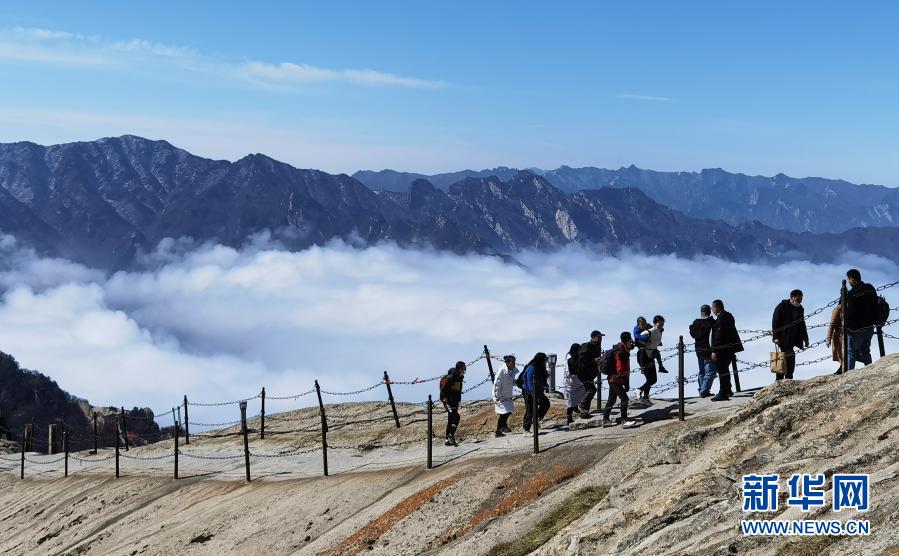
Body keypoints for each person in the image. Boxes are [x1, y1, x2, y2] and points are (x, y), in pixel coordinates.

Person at [771, 289, 810, 381]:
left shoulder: (800, 309)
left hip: (794, 337)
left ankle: (788, 377)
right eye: (797, 299)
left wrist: (805, 338)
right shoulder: (782, 306)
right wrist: (775, 337)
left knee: (789, 357)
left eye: (800, 299)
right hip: (782, 337)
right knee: (785, 357)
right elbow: (775, 321)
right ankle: (781, 379)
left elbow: (802, 324)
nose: (799, 301)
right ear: (791, 297)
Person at [602, 332, 639, 428]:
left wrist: (632, 346)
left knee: (611, 399)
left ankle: (605, 420)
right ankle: (624, 421)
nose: (631, 341)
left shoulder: (620, 347)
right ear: (628, 340)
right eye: (630, 339)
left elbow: (629, 348)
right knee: (625, 399)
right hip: (616, 380)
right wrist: (626, 383)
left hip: (611, 378)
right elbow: (621, 369)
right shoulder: (621, 352)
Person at [844, 269, 878, 370]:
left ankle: (849, 376)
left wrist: (846, 326)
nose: (849, 282)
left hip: (856, 330)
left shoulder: (851, 293)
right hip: (869, 327)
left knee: (851, 353)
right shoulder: (870, 288)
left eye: (849, 279)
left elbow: (850, 312)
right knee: (866, 351)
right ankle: (870, 371)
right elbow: (875, 304)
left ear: (852, 280)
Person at [710, 300, 742, 401]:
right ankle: (728, 389)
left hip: (721, 349)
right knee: (725, 369)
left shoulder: (721, 319)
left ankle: (723, 392)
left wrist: (714, 350)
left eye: (712, 308)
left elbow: (719, 336)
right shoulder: (729, 316)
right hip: (729, 348)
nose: (712, 310)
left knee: (721, 370)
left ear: (716, 308)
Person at [636, 315, 666, 403]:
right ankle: (641, 392)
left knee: (653, 379)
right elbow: (639, 339)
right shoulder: (650, 331)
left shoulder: (659, 332)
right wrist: (645, 342)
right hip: (643, 355)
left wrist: (658, 343)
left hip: (650, 355)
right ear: (655, 323)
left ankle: (644, 396)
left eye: (662, 323)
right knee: (650, 379)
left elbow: (656, 341)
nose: (661, 325)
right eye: (659, 323)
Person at [689, 304, 716, 397]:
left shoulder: (695, 322)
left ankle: (702, 389)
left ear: (701, 312)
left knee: (702, 371)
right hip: (708, 349)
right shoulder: (711, 322)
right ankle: (704, 391)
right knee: (710, 371)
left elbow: (693, 334)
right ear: (709, 311)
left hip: (698, 349)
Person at [521, 352, 550, 433]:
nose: (545, 362)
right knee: (530, 410)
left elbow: (543, 378)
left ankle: (536, 418)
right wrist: (534, 395)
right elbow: (530, 383)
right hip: (528, 391)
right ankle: (526, 430)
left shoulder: (541, 367)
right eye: (544, 360)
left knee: (546, 403)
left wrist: (546, 386)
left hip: (538, 390)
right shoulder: (531, 368)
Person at [439, 361, 465, 446]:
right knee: (456, 417)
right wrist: (444, 399)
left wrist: (458, 400)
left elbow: (458, 390)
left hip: (454, 401)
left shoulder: (460, 377)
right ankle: (451, 435)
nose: (465, 369)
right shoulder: (452, 377)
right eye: (464, 367)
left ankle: (447, 440)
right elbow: (444, 389)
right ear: (460, 368)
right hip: (448, 401)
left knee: (451, 419)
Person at [577, 331, 604, 414]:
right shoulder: (587, 345)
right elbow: (581, 358)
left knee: (589, 390)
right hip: (584, 372)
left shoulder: (597, 346)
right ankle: (582, 404)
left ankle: (585, 412)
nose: (600, 338)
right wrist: (594, 360)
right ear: (593, 337)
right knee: (592, 390)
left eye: (601, 336)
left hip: (590, 373)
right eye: (598, 337)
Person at [564, 343, 588, 424]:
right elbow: (572, 371)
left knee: (583, 391)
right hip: (570, 383)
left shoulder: (575, 358)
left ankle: (576, 406)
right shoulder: (570, 359)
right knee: (570, 403)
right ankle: (569, 419)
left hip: (576, 382)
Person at [492, 355, 516, 437]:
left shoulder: (511, 371)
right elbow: (497, 384)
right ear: (508, 363)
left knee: (508, 411)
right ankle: (498, 431)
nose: (514, 364)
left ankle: (504, 427)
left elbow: (511, 380)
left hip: (507, 395)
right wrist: (497, 395)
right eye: (513, 362)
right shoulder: (502, 371)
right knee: (503, 413)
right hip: (500, 395)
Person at [826, 304, 844, 375]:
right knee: (842, 354)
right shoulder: (838, 309)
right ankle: (841, 369)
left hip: (846, 334)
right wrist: (828, 338)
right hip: (839, 336)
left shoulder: (849, 306)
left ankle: (841, 369)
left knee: (845, 354)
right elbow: (832, 324)